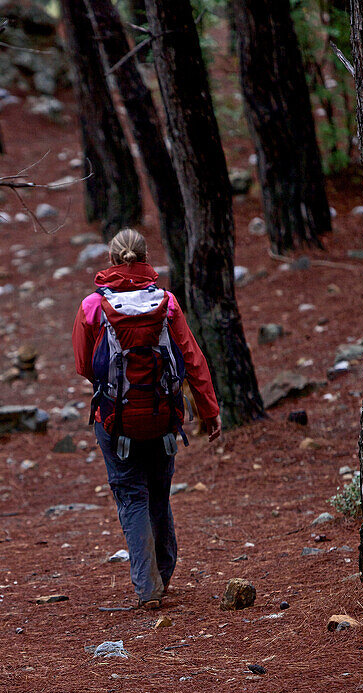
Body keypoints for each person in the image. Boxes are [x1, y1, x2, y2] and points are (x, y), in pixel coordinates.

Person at [72, 228, 221, 609]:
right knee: (158, 493)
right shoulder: (167, 303)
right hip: (162, 417)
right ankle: (165, 572)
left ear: (111, 260)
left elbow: (83, 365)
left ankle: (147, 587)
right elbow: (192, 359)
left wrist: (112, 388)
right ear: (145, 258)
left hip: (115, 419)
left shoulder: (92, 306)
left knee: (131, 497)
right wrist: (209, 411)